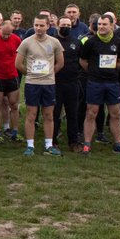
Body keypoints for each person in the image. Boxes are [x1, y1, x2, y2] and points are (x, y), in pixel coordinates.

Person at [79, 14, 120, 155]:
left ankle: (118, 144)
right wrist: (94, 72)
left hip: (112, 83)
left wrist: (111, 71)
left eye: (104, 24)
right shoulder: (90, 42)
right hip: (95, 82)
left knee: (115, 113)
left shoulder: (119, 42)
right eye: (99, 24)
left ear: (112, 25)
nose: (101, 27)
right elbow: (83, 61)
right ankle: (87, 144)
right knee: (91, 113)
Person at [15, 13, 64, 156]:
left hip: (49, 84)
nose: (38, 28)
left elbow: (60, 62)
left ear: (48, 26)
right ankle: (30, 146)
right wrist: (30, 74)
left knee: (49, 115)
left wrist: (50, 73)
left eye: (42, 25)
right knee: (31, 115)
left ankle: (49, 145)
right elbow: (18, 63)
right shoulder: (26, 42)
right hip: (32, 84)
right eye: (36, 25)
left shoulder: (54, 42)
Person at [53, 15, 84, 150]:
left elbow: (81, 61)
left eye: (68, 25)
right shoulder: (52, 41)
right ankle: (53, 140)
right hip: (55, 82)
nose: (65, 27)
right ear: (57, 26)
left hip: (72, 82)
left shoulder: (77, 42)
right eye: (63, 25)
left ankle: (73, 141)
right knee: (55, 113)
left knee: (73, 113)